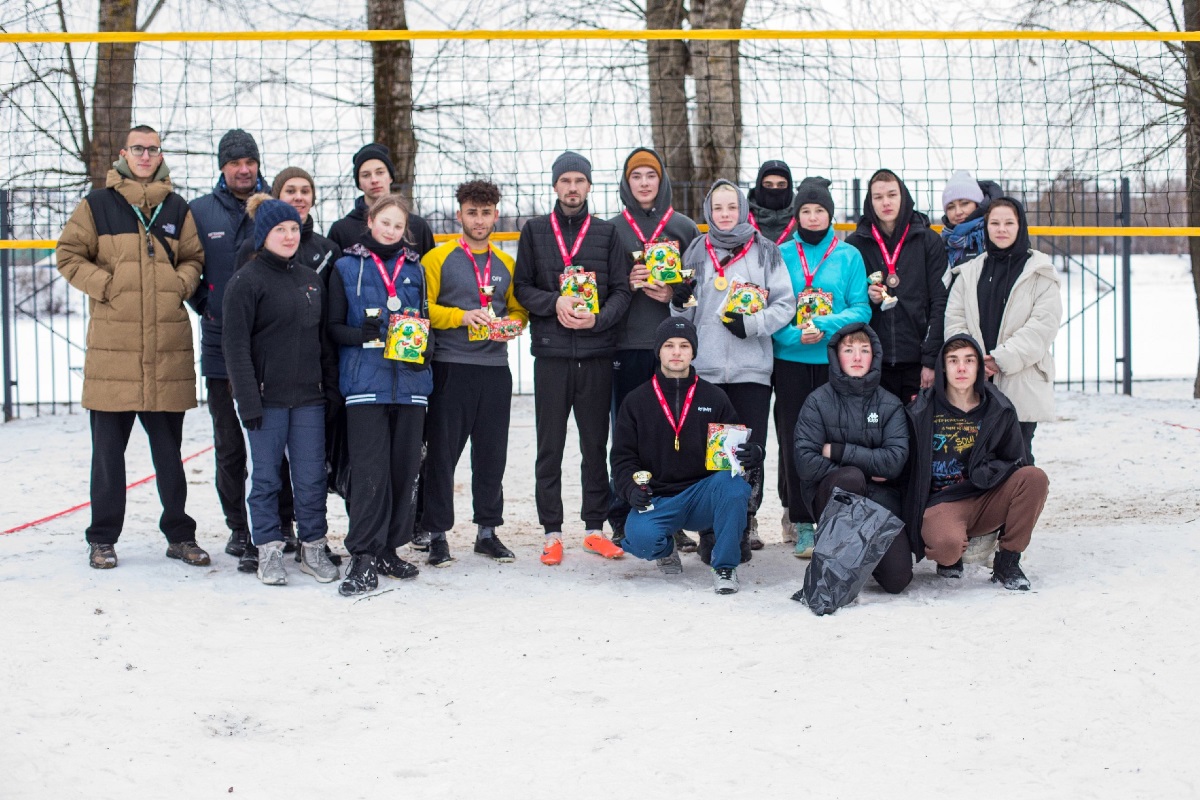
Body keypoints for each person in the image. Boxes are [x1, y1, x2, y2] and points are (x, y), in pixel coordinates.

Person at [56, 125, 209, 570]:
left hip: (166, 350)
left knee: (169, 456)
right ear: (124, 153)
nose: (146, 155)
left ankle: (180, 536)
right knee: (107, 458)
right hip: (113, 354)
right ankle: (102, 538)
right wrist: (107, 285)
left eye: (153, 149)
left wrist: (178, 284)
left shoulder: (176, 207)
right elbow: (68, 254)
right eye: (138, 148)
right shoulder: (98, 205)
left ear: (160, 154)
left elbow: (195, 259)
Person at [513, 151, 633, 566]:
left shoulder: (606, 233)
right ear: (555, 186)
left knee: (594, 445)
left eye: (579, 181)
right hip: (551, 356)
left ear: (588, 186)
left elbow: (622, 290)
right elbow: (522, 288)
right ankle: (551, 532)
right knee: (549, 446)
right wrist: (555, 302)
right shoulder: (533, 231)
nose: (572, 189)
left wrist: (597, 319)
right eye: (565, 181)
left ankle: (595, 529)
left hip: (597, 356)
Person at [188, 129, 293, 570]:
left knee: (277, 441)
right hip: (219, 345)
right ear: (222, 167)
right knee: (229, 444)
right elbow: (189, 270)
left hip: (272, 345)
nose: (243, 168)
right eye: (235, 163)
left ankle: (280, 525)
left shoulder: (274, 206)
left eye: (249, 160)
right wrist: (211, 307)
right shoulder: (199, 211)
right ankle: (239, 528)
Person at [673, 180, 793, 558]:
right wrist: (677, 302)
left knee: (746, 453)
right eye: (718, 208)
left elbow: (785, 304)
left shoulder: (765, 252)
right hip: (706, 369)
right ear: (709, 212)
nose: (725, 214)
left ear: (743, 210)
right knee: (710, 453)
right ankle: (711, 528)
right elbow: (686, 313)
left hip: (751, 370)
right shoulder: (696, 252)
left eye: (731, 207)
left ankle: (742, 524)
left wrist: (752, 324)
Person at [221, 200, 340, 587]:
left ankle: (312, 547)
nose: (289, 236)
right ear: (264, 236)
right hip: (265, 401)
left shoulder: (310, 279)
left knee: (310, 478)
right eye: (279, 230)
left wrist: (330, 390)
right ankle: (268, 548)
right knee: (267, 479)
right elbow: (235, 347)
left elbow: (322, 343)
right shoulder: (246, 281)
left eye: (293, 229)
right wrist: (247, 400)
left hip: (309, 398)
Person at [612, 318, 764, 595]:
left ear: (693, 352)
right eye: (669, 346)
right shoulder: (636, 401)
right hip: (658, 498)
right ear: (658, 351)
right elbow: (622, 459)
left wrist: (753, 453)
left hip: (702, 495)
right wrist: (631, 489)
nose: (677, 352)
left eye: (684, 346)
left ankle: (725, 566)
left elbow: (732, 453)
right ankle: (666, 548)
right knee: (641, 539)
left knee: (734, 487)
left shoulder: (714, 397)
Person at [327, 194, 430, 595]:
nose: (391, 230)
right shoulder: (346, 266)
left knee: (404, 471)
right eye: (384, 222)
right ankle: (363, 555)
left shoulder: (416, 269)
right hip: (365, 384)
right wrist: (360, 334)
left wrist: (426, 354)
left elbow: (423, 319)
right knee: (371, 474)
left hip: (410, 386)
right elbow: (333, 327)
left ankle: (389, 548)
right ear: (370, 221)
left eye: (398, 226)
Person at [422, 180, 528, 565]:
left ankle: (487, 531)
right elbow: (424, 309)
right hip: (452, 367)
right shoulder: (437, 259)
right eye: (472, 212)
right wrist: (462, 316)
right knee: (442, 456)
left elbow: (518, 309)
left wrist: (515, 324)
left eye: (486, 213)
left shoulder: (506, 263)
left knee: (491, 456)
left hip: (495, 370)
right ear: (459, 214)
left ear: (495, 214)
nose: (479, 220)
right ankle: (436, 534)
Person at [771, 177, 871, 558]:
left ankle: (834, 515)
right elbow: (774, 310)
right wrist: (796, 335)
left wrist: (824, 327)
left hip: (833, 362)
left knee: (838, 441)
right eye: (806, 211)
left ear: (830, 214)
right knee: (796, 440)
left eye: (820, 210)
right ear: (797, 215)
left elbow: (861, 309)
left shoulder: (848, 256)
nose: (813, 217)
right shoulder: (780, 254)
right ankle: (801, 522)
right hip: (792, 362)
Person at [607, 146, 701, 550]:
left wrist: (675, 291)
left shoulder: (683, 227)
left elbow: (695, 285)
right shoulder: (613, 229)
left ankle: (672, 513)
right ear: (627, 184)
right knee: (628, 433)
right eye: (636, 177)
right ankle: (621, 512)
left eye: (650, 176)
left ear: (661, 181)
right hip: (627, 345)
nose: (644, 184)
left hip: (671, 347)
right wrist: (626, 282)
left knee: (671, 432)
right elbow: (604, 286)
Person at [902, 335, 1049, 590]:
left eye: (969, 361)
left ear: (979, 368)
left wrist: (988, 472)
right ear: (942, 367)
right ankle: (954, 550)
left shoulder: (999, 408)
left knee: (1034, 478)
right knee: (947, 549)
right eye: (953, 361)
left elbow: (1016, 460)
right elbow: (905, 467)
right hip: (942, 501)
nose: (961, 368)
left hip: (984, 493)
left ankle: (1008, 562)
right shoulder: (921, 410)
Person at [792, 323, 912, 593]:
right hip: (831, 496)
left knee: (898, 580)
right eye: (849, 350)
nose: (857, 357)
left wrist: (838, 451)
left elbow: (894, 461)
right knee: (850, 477)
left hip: (878, 503)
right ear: (836, 355)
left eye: (864, 350)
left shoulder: (890, 404)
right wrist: (867, 470)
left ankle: (856, 555)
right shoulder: (817, 401)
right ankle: (833, 572)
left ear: (874, 356)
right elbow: (805, 461)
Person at [944, 197, 1062, 463]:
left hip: (1019, 382)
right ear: (986, 228)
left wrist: (1000, 359)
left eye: (1009, 222)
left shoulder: (1040, 272)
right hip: (976, 383)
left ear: (1020, 226)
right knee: (974, 461)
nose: (1001, 229)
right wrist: (973, 361)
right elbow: (955, 320)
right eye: (995, 223)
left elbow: (1042, 327)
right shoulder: (969, 272)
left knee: (1018, 461)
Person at [845, 169, 948, 403]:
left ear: (903, 197)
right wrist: (867, 295)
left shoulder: (928, 240)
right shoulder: (855, 244)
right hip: (873, 363)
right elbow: (849, 300)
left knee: (915, 436)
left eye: (892, 195)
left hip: (917, 363)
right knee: (877, 437)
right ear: (870, 202)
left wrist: (930, 361)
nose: (886, 202)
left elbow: (940, 302)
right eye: (878, 197)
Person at [327, 143, 435, 257]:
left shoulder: (417, 226)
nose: (374, 180)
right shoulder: (341, 231)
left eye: (380, 172)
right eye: (366, 175)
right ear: (358, 183)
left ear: (390, 177)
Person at [236, 167, 341, 276]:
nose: (299, 197)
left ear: (312, 198)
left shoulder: (328, 250)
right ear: (277, 197)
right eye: (290, 191)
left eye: (305, 191)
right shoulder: (253, 247)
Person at [940, 170, 1003, 275]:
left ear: (978, 204)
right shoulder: (942, 243)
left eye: (964, 203)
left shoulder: (998, 235)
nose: (958, 212)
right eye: (951, 207)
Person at [746, 160, 797, 245]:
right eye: (768, 185)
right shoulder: (742, 218)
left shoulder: (801, 219)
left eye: (781, 185)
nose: (775, 189)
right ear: (759, 186)